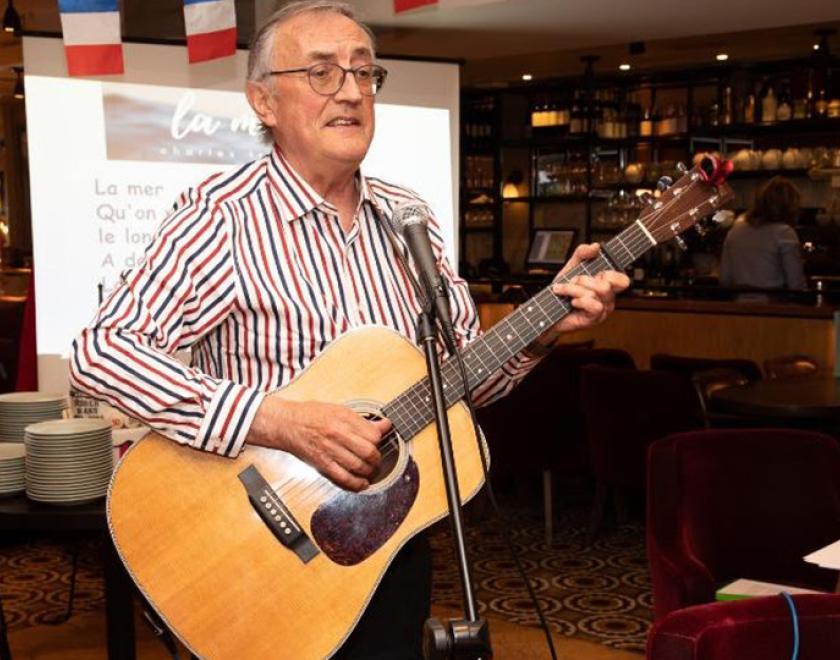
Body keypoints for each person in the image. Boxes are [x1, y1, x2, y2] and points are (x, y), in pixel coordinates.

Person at [69, 1, 629, 657]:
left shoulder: (407, 217)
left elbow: (460, 385)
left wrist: (541, 330)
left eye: (365, 74)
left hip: (386, 552)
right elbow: (102, 353)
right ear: (263, 102)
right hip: (246, 558)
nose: (351, 92)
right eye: (322, 73)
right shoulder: (220, 218)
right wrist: (282, 421)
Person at [719, 176, 807, 294]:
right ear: (790, 206)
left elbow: (725, 280)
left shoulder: (735, 232)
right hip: (774, 306)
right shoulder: (784, 233)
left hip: (740, 306)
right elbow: (795, 284)